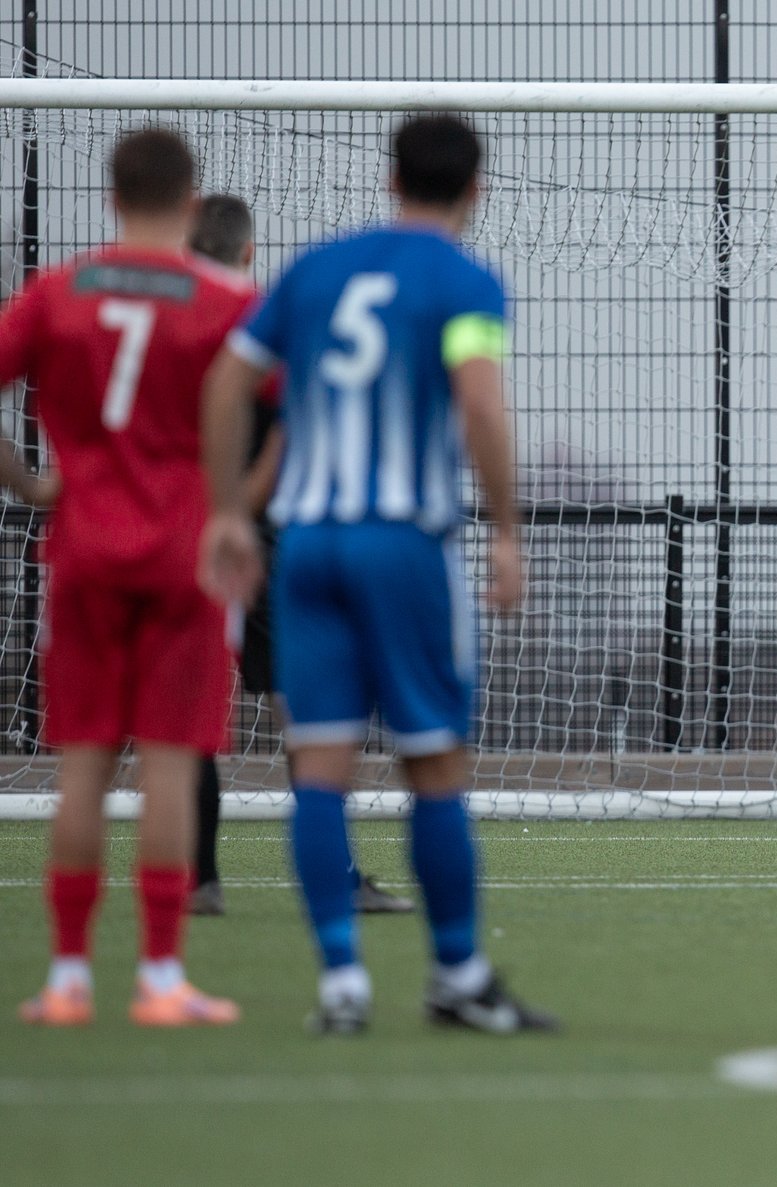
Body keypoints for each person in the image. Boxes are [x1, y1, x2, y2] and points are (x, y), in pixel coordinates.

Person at [199, 112, 553, 1035]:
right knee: (434, 762)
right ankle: (457, 976)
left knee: (319, 769)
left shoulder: (311, 272)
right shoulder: (466, 282)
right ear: (476, 188)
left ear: (390, 178)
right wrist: (507, 530)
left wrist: (232, 510)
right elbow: (480, 401)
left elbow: (229, 383)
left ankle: (343, 986)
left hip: (306, 548)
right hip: (404, 543)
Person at [6, 127, 249, 1027]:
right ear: (190, 204)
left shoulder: (57, 293)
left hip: (83, 552)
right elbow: (286, 406)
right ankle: (159, 978)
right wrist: (235, 506)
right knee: (171, 770)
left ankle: (68, 979)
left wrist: (26, 480)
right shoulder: (223, 301)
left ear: (111, 198)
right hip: (187, 557)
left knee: (80, 771)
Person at [182, 192, 414, 919]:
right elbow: (298, 425)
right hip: (270, 535)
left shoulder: (171, 321)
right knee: (304, 710)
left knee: (191, 711)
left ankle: (201, 879)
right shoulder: (262, 320)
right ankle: (339, 877)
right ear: (248, 252)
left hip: (188, 534)